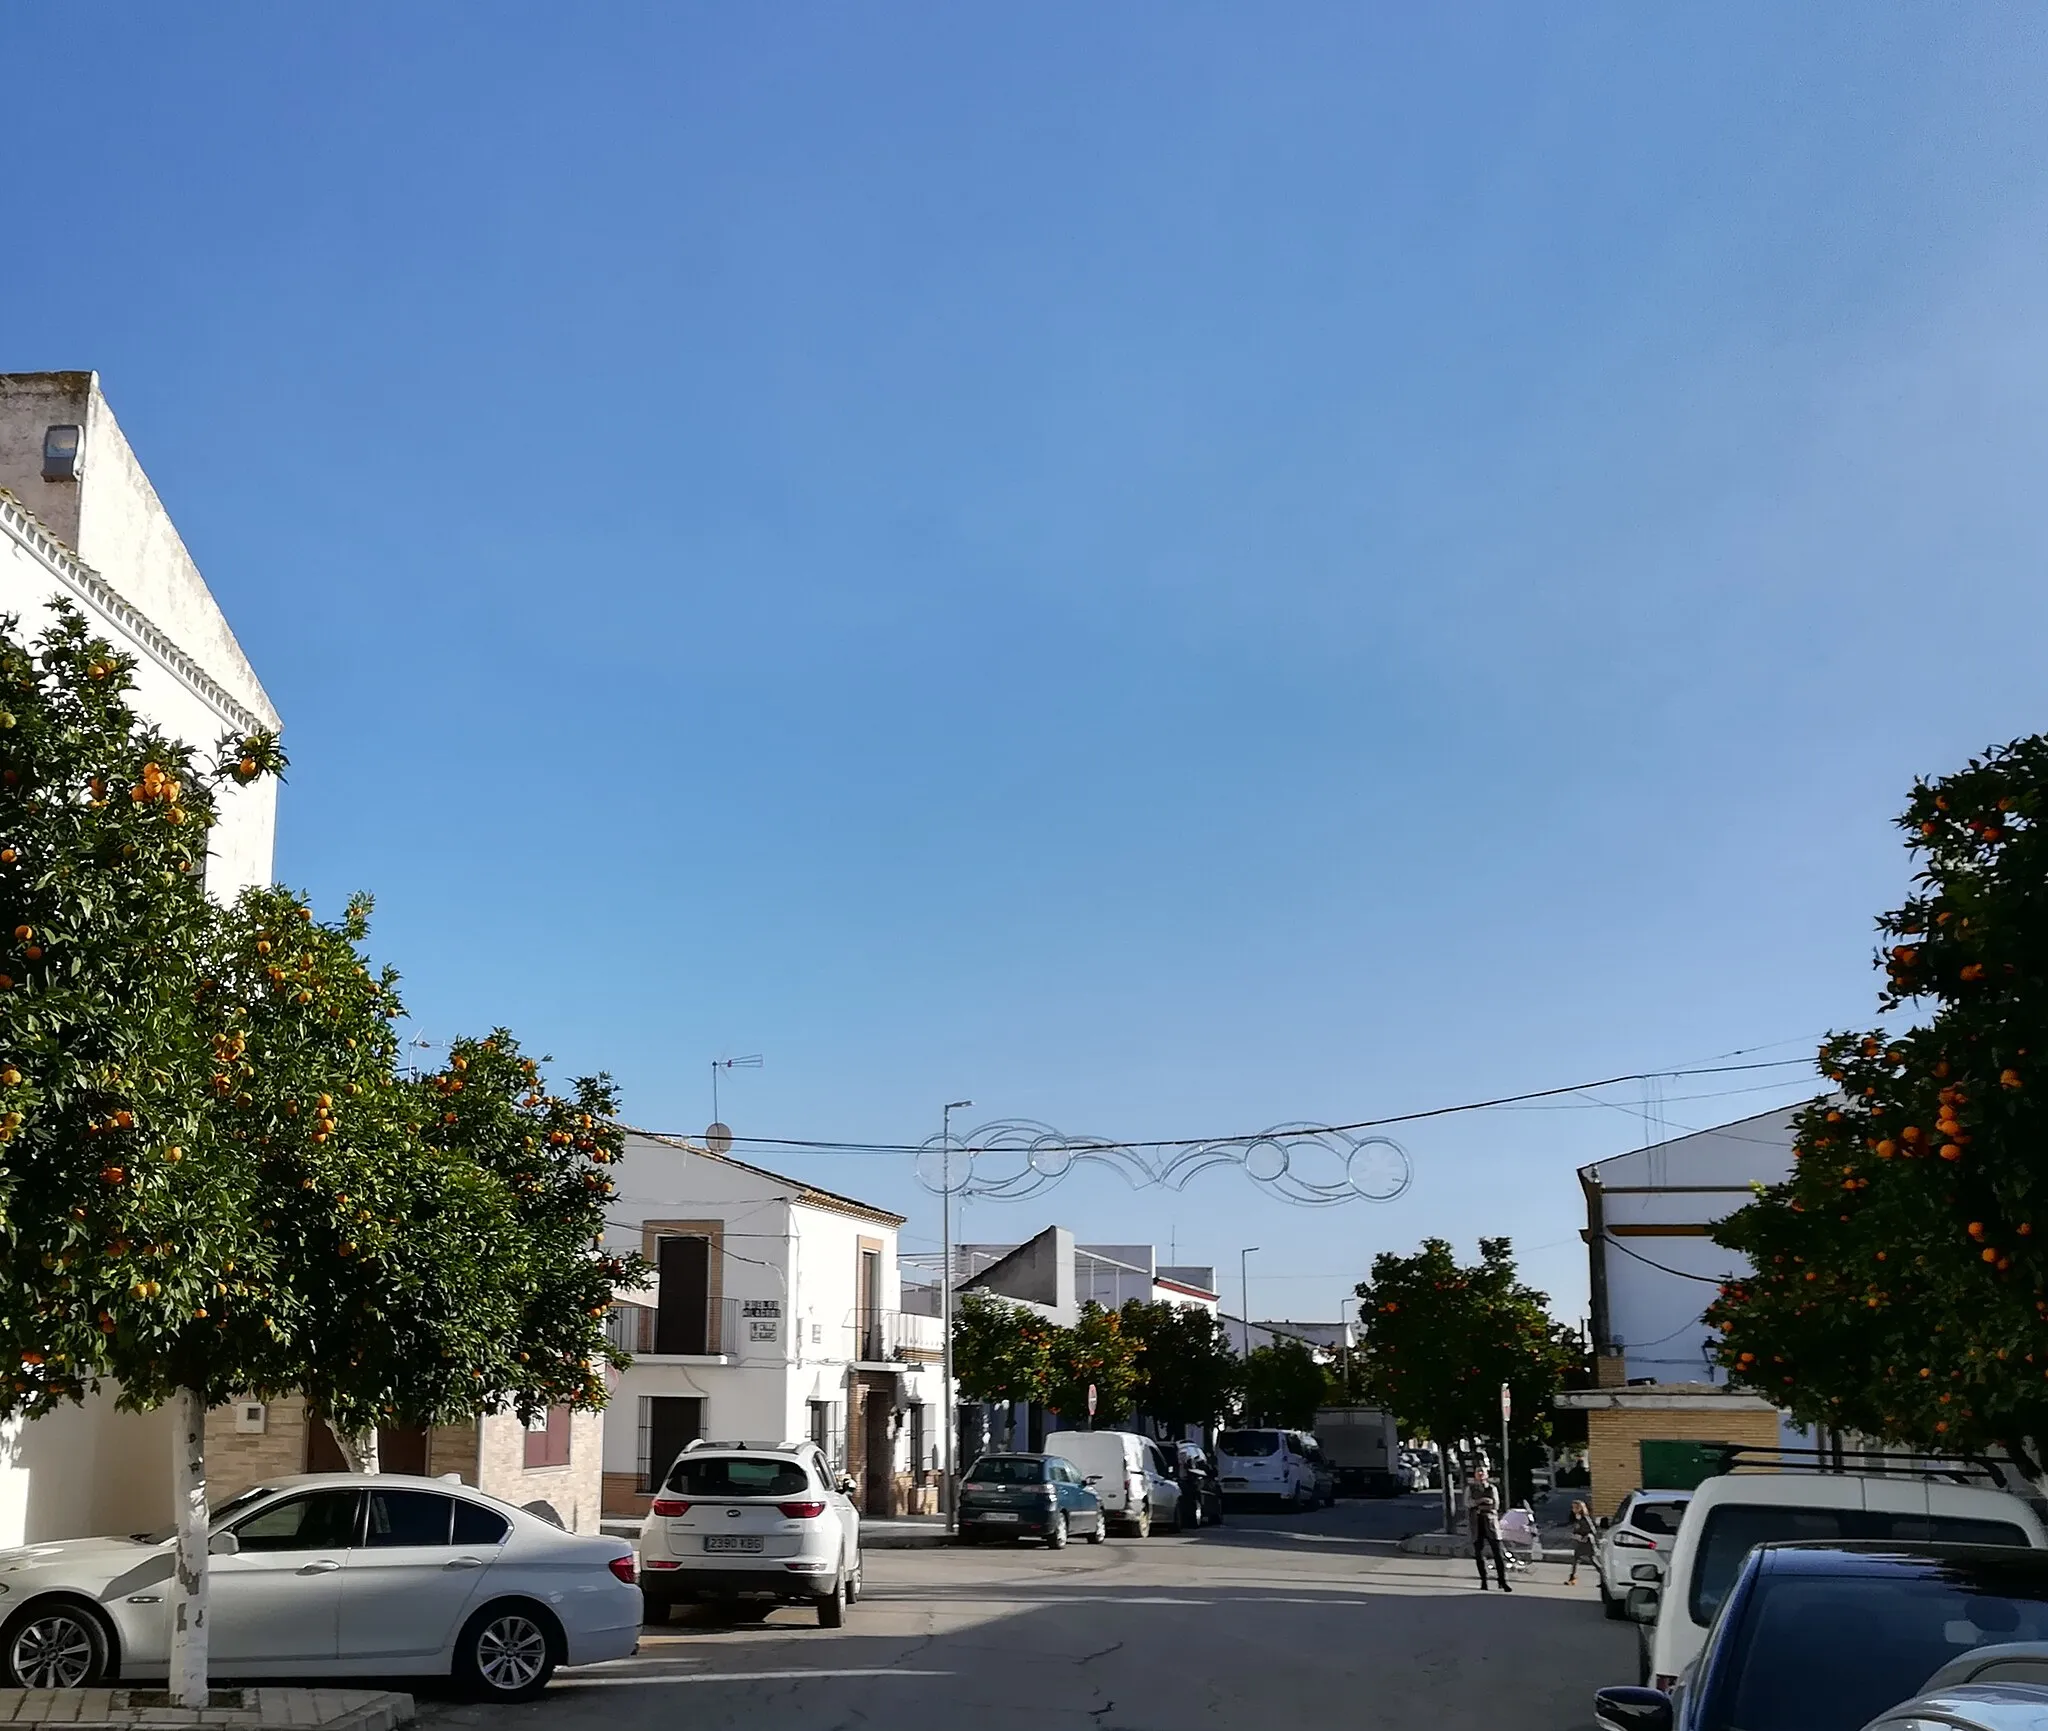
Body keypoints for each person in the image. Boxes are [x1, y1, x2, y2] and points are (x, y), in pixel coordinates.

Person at [1468, 1467, 1511, 1591]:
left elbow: (1494, 1504)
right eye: (1478, 1472)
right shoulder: (1470, 1488)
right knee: (1479, 1553)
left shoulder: (1492, 1488)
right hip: (1476, 1523)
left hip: (1491, 1522)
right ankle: (1484, 1581)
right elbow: (1468, 1503)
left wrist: (1479, 1505)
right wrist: (1481, 1501)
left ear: (1486, 1475)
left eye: (1483, 1472)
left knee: (1498, 1553)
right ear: (1475, 1475)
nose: (1480, 1474)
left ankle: (1502, 1580)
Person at [1567, 1499, 1598, 1587]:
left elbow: (1593, 1530)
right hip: (1580, 1542)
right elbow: (1576, 1528)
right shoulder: (1577, 1518)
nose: (1573, 1509)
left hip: (1587, 1542)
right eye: (1573, 1507)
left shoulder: (1586, 1518)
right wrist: (1574, 1534)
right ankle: (1572, 1578)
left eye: (1576, 1507)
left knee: (1593, 1560)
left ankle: (1604, 1578)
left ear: (1580, 1508)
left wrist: (1585, 1536)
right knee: (1575, 1559)